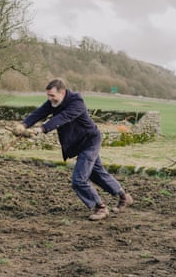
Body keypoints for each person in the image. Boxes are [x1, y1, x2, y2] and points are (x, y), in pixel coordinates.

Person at [13, 78, 133, 220]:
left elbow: (63, 117)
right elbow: (40, 112)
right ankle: (124, 197)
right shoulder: (54, 102)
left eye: (52, 95)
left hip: (89, 142)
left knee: (79, 180)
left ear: (62, 92)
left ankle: (100, 208)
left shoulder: (77, 102)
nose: (50, 99)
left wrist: (41, 129)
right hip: (77, 144)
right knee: (96, 173)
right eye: (48, 96)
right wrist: (24, 125)